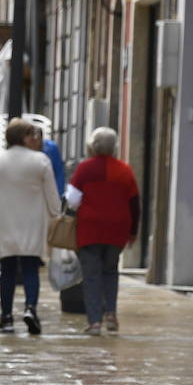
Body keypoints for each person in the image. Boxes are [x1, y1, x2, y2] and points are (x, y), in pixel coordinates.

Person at [0, 118, 61, 335]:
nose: (35, 139)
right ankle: (31, 309)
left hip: (6, 223)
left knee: (8, 270)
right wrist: (56, 215)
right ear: (23, 137)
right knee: (31, 267)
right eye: (31, 135)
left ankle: (6, 317)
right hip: (33, 222)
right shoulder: (40, 160)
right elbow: (52, 194)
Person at [66, 127, 139, 336]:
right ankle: (111, 315)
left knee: (91, 275)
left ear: (93, 145)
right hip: (117, 229)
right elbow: (135, 204)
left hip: (90, 229)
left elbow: (72, 200)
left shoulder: (84, 169)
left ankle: (95, 321)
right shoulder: (125, 170)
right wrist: (133, 232)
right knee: (110, 271)